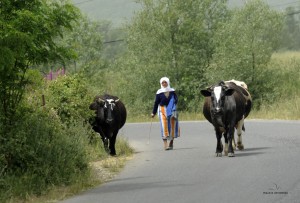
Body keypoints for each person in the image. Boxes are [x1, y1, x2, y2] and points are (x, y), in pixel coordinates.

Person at [151, 77, 180, 150]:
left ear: (168, 83)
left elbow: (176, 100)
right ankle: (165, 145)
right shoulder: (159, 92)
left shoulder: (172, 91)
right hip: (162, 109)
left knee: (173, 126)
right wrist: (153, 112)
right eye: (162, 82)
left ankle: (171, 143)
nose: (164, 84)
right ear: (161, 84)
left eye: (165, 82)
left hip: (173, 110)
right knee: (164, 126)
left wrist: (172, 105)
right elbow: (156, 103)